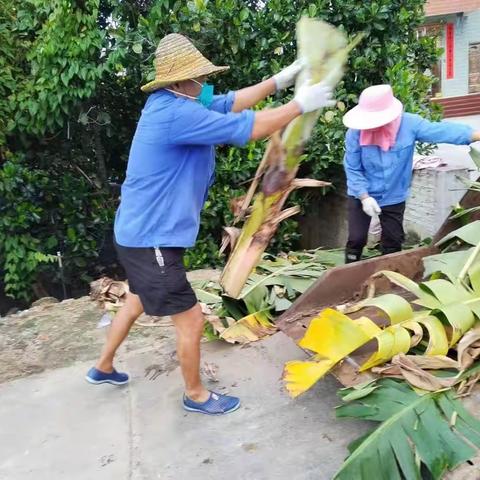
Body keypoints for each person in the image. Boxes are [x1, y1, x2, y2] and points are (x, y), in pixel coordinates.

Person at [85, 33, 334, 415]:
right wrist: (300, 105)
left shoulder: (171, 102)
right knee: (191, 320)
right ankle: (196, 395)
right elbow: (249, 127)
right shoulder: (177, 114)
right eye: (200, 77)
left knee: (134, 300)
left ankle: (103, 368)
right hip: (152, 237)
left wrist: (281, 80)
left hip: (137, 233)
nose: (205, 83)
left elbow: (229, 103)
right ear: (183, 81)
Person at [342, 84, 480, 264]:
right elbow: (352, 168)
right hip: (361, 193)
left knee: (393, 240)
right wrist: (364, 197)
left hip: (394, 194)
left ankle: (388, 277)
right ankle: (350, 269)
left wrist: (475, 134)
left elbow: (440, 131)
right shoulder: (355, 133)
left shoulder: (409, 124)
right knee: (357, 239)